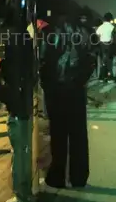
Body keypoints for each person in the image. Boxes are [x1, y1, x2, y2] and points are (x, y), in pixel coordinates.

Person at [39, 12, 95, 188]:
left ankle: (57, 177)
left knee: (58, 135)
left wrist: (47, 84)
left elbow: (43, 61)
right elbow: (91, 59)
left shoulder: (50, 33)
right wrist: (80, 80)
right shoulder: (84, 32)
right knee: (78, 135)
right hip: (76, 90)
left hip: (57, 90)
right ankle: (78, 177)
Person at [0, 0, 36, 202]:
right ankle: (24, 190)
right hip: (24, 98)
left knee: (19, 148)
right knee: (24, 147)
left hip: (17, 101)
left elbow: (12, 70)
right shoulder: (25, 35)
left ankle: (22, 192)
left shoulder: (14, 37)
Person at [95, 12, 115, 81]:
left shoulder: (101, 27)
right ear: (110, 19)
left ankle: (102, 76)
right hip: (110, 45)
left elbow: (97, 34)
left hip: (102, 45)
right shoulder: (112, 27)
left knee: (103, 61)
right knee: (109, 62)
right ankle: (109, 77)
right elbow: (114, 37)